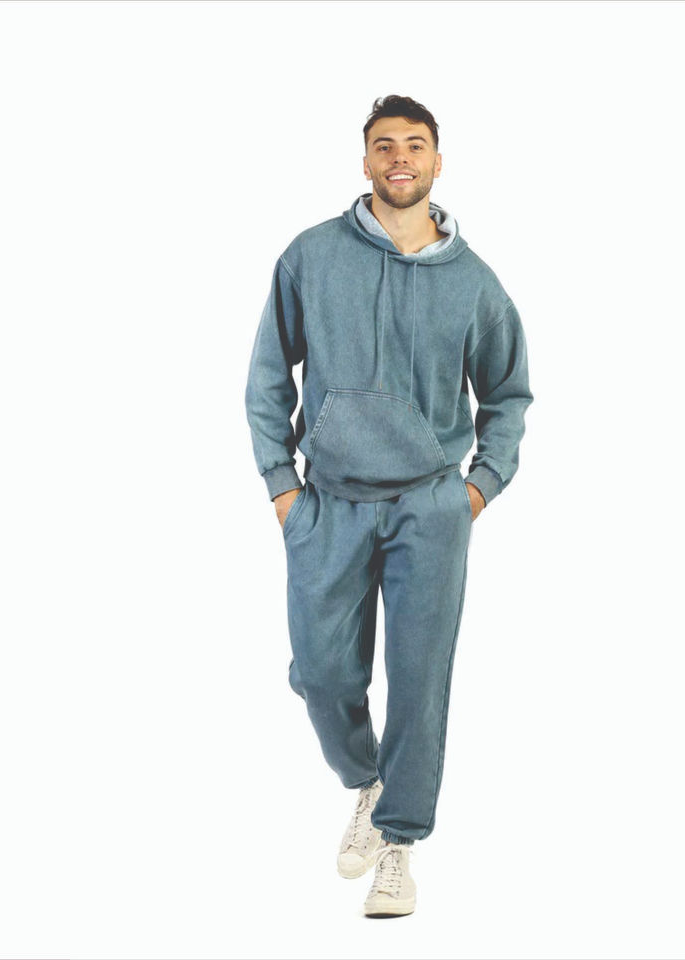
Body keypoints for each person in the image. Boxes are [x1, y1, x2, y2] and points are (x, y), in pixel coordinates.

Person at [244, 94, 534, 918]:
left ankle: (399, 841)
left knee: (418, 681)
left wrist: (479, 487)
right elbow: (267, 378)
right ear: (365, 160)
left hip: (429, 509)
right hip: (328, 505)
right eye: (384, 145)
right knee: (321, 672)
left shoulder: (474, 283)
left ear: (438, 162)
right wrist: (283, 487)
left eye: (414, 144)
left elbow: (508, 395)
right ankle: (368, 783)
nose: (399, 157)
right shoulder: (310, 256)